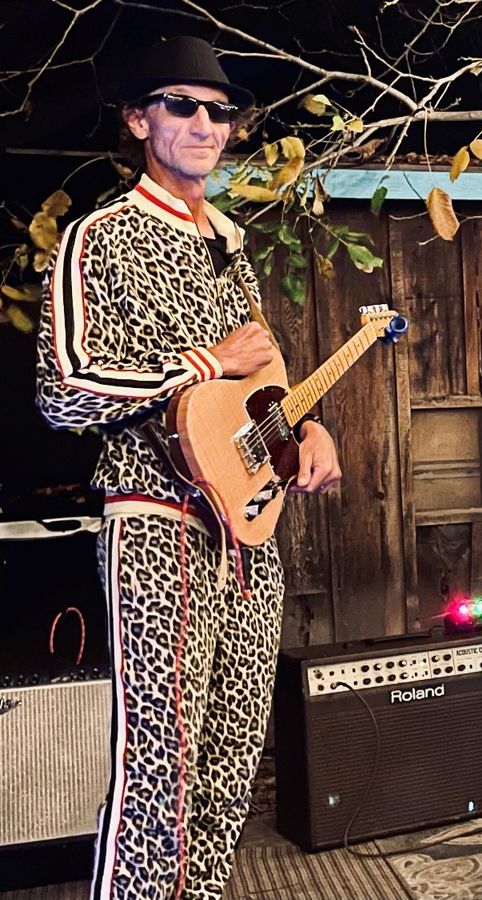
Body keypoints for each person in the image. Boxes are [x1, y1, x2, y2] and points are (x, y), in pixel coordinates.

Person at [34, 35, 342, 900]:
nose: (207, 123)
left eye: (221, 111)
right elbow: (63, 392)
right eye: (182, 105)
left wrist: (309, 431)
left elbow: (262, 386)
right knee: (160, 772)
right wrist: (204, 362)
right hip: (156, 522)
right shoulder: (100, 235)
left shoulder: (232, 243)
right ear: (138, 120)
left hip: (246, 531)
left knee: (229, 766)